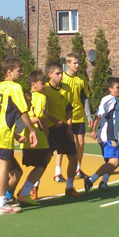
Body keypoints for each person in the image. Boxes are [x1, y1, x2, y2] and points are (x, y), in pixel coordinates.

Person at [0, 58, 38, 215]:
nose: (22, 73)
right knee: (4, 168)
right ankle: (2, 203)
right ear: (9, 72)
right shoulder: (15, 88)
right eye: (19, 70)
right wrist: (32, 130)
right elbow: (23, 111)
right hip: (3, 133)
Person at [43, 62, 82, 197]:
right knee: (45, 160)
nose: (61, 76)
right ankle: (33, 188)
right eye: (57, 73)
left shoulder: (66, 88)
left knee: (74, 158)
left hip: (64, 128)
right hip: (50, 129)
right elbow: (42, 111)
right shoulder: (45, 89)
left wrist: (69, 127)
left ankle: (69, 187)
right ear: (49, 75)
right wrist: (53, 120)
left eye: (61, 73)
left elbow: (68, 108)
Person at [16, 70, 51, 206]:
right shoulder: (41, 98)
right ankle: (25, 192)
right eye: (42, 83)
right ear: (33, 84)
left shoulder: (24, 97)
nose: (45, 86)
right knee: (41, 165)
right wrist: (46, 132)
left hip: (25, 136)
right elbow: (41, 117)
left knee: (37, 165)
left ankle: (16, 192)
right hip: (38, 137)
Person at [56, 52, 92, 182]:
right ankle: (58, 171)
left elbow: (85, 98)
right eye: (74, 63)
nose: (77, 65)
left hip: (79, 116)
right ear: (68, 64)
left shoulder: (81, 79)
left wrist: (89, 116)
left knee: (80, 143)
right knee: (61, 144)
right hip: (65, 117)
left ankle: (78, 168)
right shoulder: (62, 78)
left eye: (78, 63)